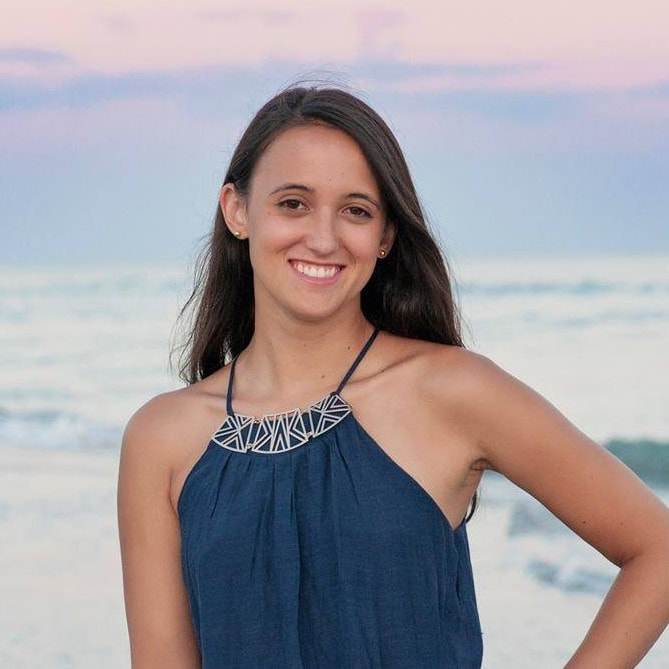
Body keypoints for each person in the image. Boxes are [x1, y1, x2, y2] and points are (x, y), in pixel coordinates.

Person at [117, 82, 669, 668]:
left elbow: (656, 548)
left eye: (356, 211)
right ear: (238, 211)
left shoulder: (452, 392)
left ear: (384, 237)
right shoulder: (162, 437)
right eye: (293, 203)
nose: (324, 238)